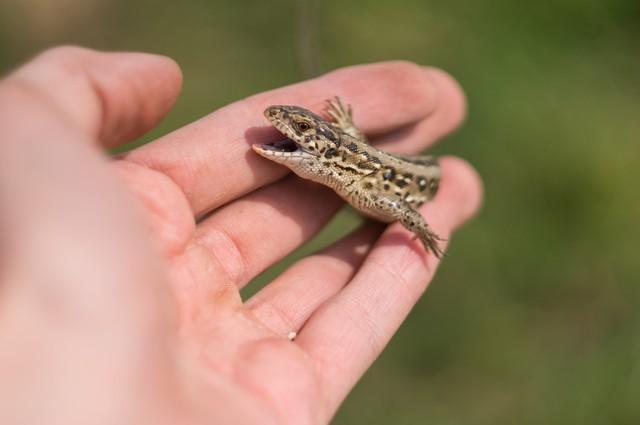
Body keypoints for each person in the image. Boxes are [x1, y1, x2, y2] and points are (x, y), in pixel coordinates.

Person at [0, 47, 482, 424]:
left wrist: (421, 229)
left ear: (329, 153)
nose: (282, 125)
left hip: (415, 179)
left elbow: (398, 206)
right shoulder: (343, 165)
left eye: (298, 127)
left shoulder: (365, 182)